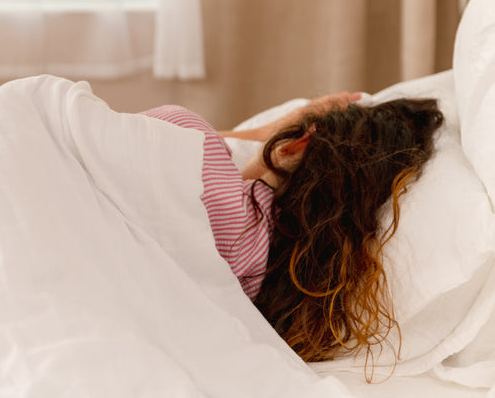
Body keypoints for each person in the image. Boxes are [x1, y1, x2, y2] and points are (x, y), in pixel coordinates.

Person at [142, 93, 444, 367]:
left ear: (297, 144)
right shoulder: (256, 300)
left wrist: (258, 137)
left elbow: (123, 140)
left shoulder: (190, 137)